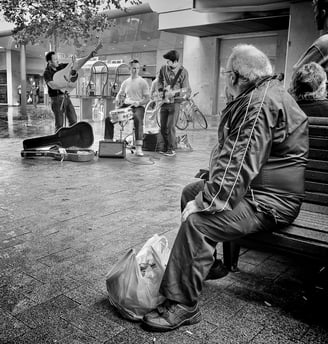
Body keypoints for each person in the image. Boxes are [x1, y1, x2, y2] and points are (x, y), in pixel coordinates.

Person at [142, 44, 309, 332]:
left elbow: (240, 159)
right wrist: (204, 191)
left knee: (198, 222)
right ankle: (209, 264)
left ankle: (183, 303)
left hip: (269, 202)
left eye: (227, 74)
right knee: (189, 192)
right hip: (258, 192)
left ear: (237, 76)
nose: (225, 82)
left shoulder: (258, 103)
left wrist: (209, 199)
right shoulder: (265, 94)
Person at [104, 59, 150, 156]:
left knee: (138, 119)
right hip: (126, 106)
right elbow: (120, 94)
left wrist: (140, 102)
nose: (136, 70)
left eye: (137, 68)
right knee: (108, 119)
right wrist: (117, 100)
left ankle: (138, 147)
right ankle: (108, 144)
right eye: (134, 68)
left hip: (138, 106)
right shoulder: (125, 82)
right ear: (129, 69)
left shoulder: (143, 82)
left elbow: (147, 98)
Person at [157, 50, 191, 157]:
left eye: (169, 61)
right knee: (162, 126)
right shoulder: (163, 69)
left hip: (175, 103)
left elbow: (186, 89)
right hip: (164, 101)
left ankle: (171, 149)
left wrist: (176, 94)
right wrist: (161, 90)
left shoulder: (183, 72)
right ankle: (163, 147)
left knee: (170, 125)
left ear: (175, 61)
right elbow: (159, 80)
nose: (167, 63)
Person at [43, 51, 78, 132]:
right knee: (59, 125)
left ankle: (72, 140)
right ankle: (59, 143)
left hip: (66, 97)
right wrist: (67, 84)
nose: (57, 61)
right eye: (55, 59)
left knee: (74, 120)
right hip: (56, 100)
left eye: (57, 59)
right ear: (49, 62)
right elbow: (53, 85)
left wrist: (74, 61)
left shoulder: (61, 67)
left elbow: (72, 66)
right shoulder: (47, 73)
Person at [294, 0, 328, 75]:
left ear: (323, 13)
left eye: (316, 13)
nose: (314, 19)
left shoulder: (324, 43)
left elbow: (297, 75)